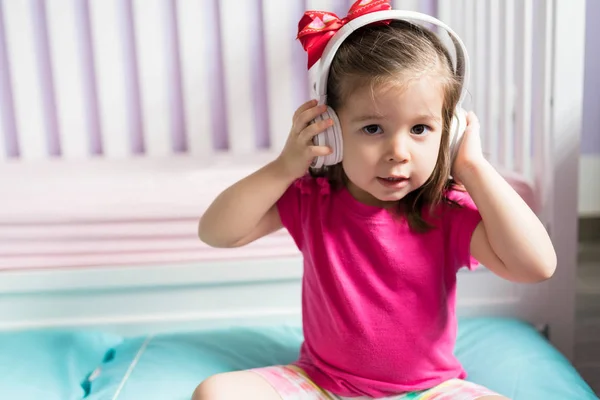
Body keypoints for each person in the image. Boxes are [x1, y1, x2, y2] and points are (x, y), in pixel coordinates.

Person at [194, 1, 556, 398]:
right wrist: (284, 167)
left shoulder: (447, 213)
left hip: (429, 390)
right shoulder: (313, 200)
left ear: (447, 134)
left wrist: (473, 167)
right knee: (215, 392)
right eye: (372, 128)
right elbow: (217, 233)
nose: (397, 151)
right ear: (330, 133)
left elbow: (537, 266)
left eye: (420, 128)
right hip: (320, 383)